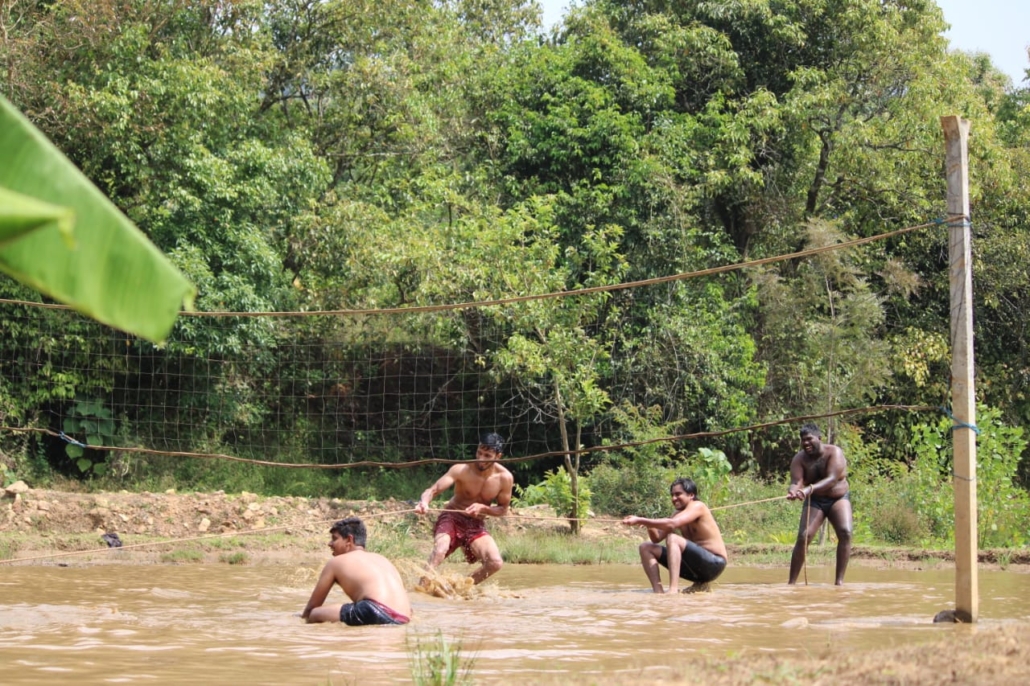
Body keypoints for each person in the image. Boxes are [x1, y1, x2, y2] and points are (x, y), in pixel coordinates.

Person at [414, 432, 514, 584]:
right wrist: (424, 502)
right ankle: (421, 588)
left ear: (498, 456)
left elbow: (503, 510)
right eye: (479, 453)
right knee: (440, 550)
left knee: (495, 563)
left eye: (487, 455)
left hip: (475, 524)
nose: (481, 459)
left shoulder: (505, 478)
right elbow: (432, 490)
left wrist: (483, 509)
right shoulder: (461, 469)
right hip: (452, 518)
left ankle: (461, 588)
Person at [622, 477, 728, 594]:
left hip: (714, 564)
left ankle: (672, 590)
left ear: (691, 495)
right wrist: (649, 525)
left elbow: (672, 524)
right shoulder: (677, 514)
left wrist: (641, 520)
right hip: (694, 568)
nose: (674, 498)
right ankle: (658, 592)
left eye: (678, 494)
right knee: (645, 547)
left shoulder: (698, 506)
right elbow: (656, 538)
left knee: (673, 538)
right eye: (672, 495)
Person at [301, 517, 412, 625]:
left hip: (374, 611)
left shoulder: (336, 562)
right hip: (404, 617)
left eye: (334, 539)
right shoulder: (383, 559)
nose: (329, 544)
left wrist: (301, 621)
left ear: (349, 540)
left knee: (315, 614)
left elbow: (311, 608)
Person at [786, 422, 853, 585]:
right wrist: (793, 491)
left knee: (845, 532)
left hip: (838, 498)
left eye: (809, 439)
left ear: (819, 438)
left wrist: (809, 489)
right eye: (803, 440)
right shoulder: (799, 459)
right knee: (804, 536)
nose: (806, 443)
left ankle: (839, 582)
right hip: (815, 500)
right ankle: (791, 583)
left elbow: (832, 479)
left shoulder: (834, 452)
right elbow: (796, 481)